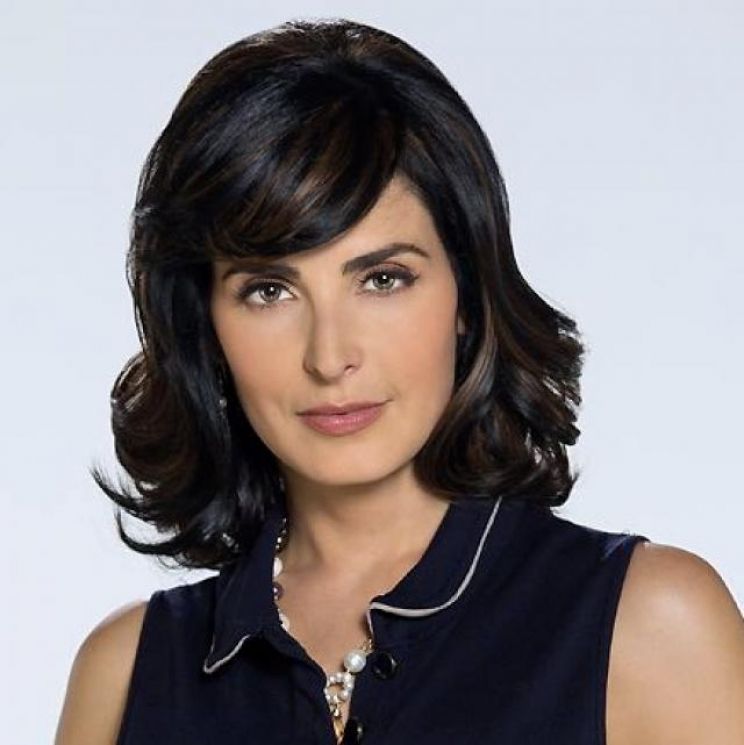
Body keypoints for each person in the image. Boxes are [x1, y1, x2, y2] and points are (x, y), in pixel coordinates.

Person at [55, 17, 744, 745]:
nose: (329, 357)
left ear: (467, 295)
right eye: (268, 290)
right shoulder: (126, 675)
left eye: (382, 278)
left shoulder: (649, 628)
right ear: (206, 326)